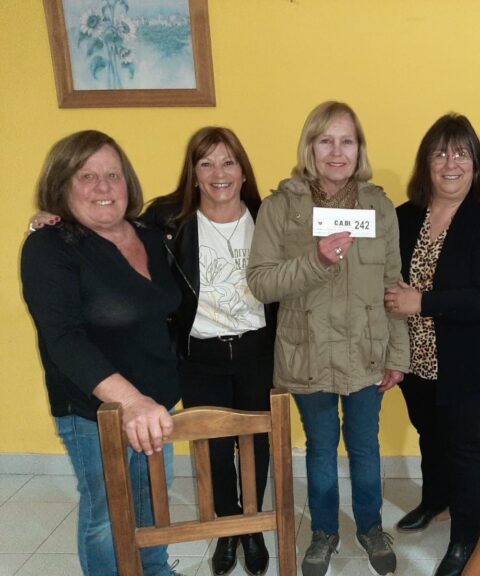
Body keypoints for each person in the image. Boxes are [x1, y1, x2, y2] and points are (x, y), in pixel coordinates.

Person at [247, 101, 409, 576]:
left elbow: (394, 286)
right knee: (320, 448)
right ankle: (323, 532)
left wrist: (398, 355)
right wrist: (315, 261)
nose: (337, 152)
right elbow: (261, 282)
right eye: (326, 141)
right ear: (310, 147)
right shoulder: (282, 207)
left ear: (359, 149)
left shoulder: (379, 207)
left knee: (365, 447)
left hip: (366, 351)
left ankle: (370, 527)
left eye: (347, 141)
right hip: (308, 352)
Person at [20, 130, 181, 576]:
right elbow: (63, 339)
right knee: (108, 513)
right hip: (95, 410)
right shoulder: (49, 247)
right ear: (62, 185)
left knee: (153, 502)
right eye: (86, 176)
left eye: (113, 175)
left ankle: (155, 569)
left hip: (157, 405)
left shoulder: (151, 235)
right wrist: (131, 402)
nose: (103, 187)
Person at [142, 127, 276, 575]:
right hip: (199, 355)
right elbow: (109, 230)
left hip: (258, 351)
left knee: (256, 443)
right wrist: (54, 219)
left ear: (243, 171)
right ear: (194, 173)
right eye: (207, 163)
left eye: (228, 162)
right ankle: (227, 526)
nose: (219, 173)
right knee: (213, 448)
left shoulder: (268, 216)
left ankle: (252, 527)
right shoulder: (168, 221)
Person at [385, 114, 480, 576]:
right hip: (412, 357)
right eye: (440, 153)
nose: (450, 163)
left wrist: (423, 301)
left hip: (463, 359)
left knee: (463, 445)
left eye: (461, 153)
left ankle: (464, 537)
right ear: (427, 163)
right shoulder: (403, 216)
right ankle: (434, 500)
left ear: (475, 164)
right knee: (429, 433)